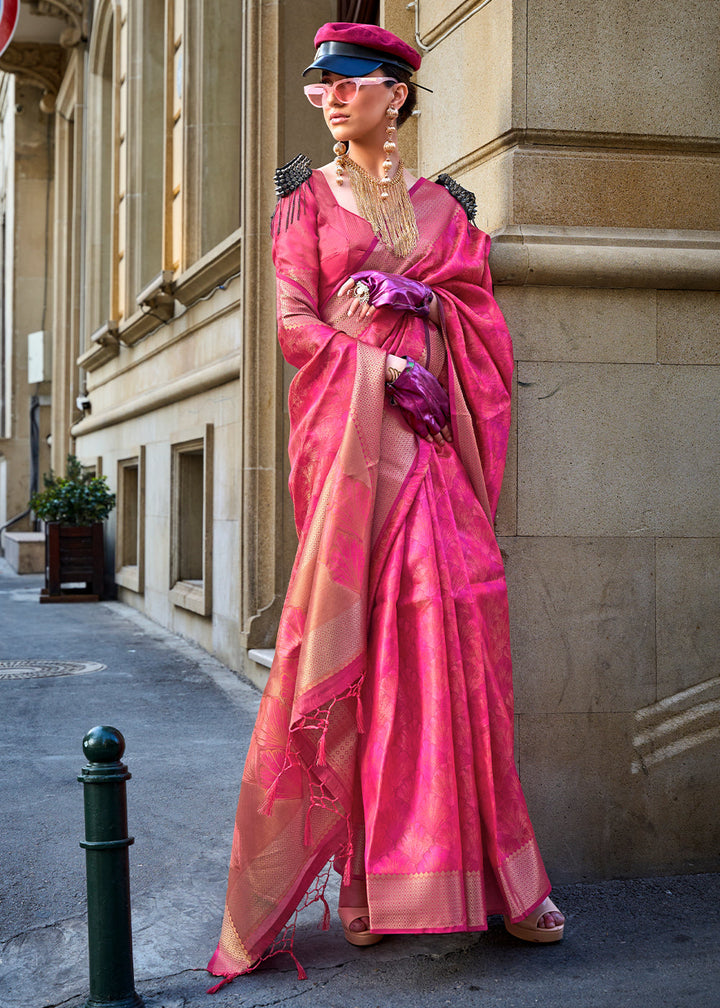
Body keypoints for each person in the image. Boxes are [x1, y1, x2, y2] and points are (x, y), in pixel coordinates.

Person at [207, 21, 564, 988]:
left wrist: (424, 311)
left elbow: (475, 306)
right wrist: (376, 364)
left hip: (434, 453)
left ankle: (503, 880)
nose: (326, 96)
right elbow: (289, 325)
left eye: (346, 81)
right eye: (319, 83)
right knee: (363, 662)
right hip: (357, 461)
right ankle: (366, 883)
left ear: (395, 93)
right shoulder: (302, 206)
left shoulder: (442, 209)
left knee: (461, 646)